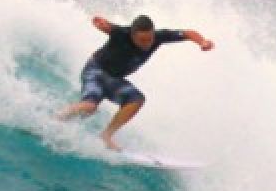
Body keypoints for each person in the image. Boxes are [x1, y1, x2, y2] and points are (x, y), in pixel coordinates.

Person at [58, 14, 214, 150]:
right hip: (96, 71)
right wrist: (100, 23)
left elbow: (188, 33)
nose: (147, 43)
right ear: (132, 34)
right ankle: (56, 119)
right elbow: (105, 25)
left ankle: (106, 136)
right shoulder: (121, 33)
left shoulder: (158, 37)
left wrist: (202, 42)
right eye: (142, 40)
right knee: (90, 107)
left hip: (115, 80)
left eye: (150, 38)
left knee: (137, 100)